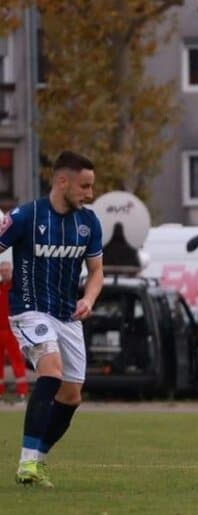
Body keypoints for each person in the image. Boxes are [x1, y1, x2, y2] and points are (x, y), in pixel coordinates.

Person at [0, 150, 104, 487]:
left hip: (68, 315)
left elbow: (97, 270)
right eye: (84, 186)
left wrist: (88, 298)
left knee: (72, 396)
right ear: (62, 181)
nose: (89, 194)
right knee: (51, 369)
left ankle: (39, 460)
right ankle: (27, 462)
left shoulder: (88, 223)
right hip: (30, 311)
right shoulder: (25, 217)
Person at [0, 261, 29, 403]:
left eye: (7, 270)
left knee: (17, 361)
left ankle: (22, 393)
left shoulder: (16, 288)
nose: (4, 273)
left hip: (13, 330)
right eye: (2, 270)